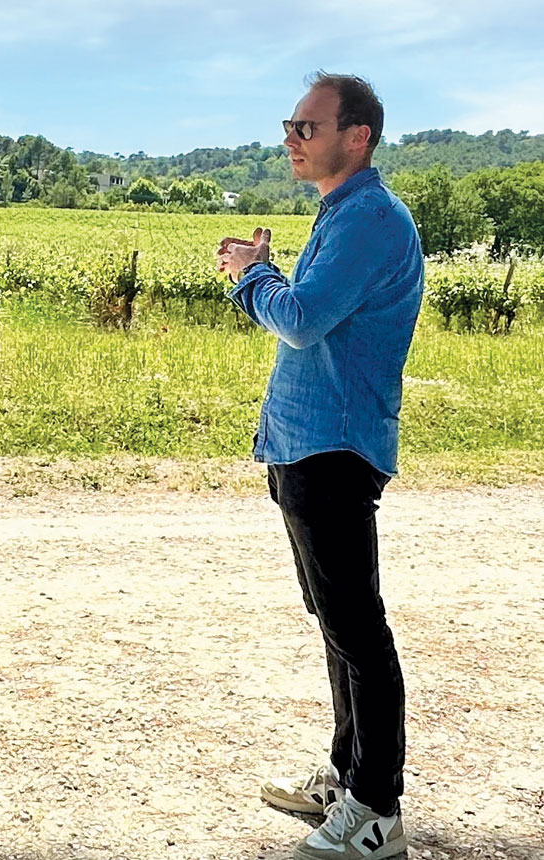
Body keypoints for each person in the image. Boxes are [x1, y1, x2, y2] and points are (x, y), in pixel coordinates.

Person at [216, 72, 423, 860]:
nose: (291, 138)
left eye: (307, 126)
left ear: (357, 135)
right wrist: (265, 274)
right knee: (338, 624)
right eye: (291, 125)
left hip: (334, 449)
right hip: (308, 444)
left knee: (359, 631)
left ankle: (376, 809)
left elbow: (300, 322)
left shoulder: (369, 217)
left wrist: (251, 276)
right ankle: (346, 775)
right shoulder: (343, 214)